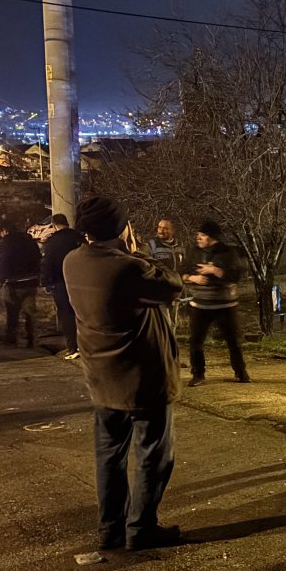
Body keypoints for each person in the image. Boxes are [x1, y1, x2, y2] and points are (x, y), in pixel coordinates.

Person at [64, 196, 184, 551]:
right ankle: (141, 528)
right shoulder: (128, 267)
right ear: (121, 229)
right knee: (153, 455)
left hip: (102, 378)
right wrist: (135, 252)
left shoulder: (72, 262)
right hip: (143, 380)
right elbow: (173, 285)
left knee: (109, 457)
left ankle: (110, 529)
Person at [182, 220, 249, 387]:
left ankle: (241, 372)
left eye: (202, 235)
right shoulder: (194, 252)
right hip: (200, 305)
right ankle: (198, 374)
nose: (198, 238)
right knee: (196, 341)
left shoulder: (227, 253)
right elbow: (181, 272)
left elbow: (236, 275)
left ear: (212, 237)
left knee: (233, 341)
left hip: (225, 305)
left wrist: (215, 270)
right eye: (198, 235)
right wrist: (193, 278)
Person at [41, 214, 85, 359]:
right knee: (82, 314)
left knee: (66, 315)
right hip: (80, 281)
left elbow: (47, 264)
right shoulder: (78, 237)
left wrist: (46, 282)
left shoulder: (52, 242)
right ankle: (87, 345)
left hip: (60, 282)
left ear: (54, 225)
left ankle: (72, 348)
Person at [0, 222, 42, 348]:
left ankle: (11, 339)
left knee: (12, 312)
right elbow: (38, 258)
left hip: (13, 283)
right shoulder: (30, 241)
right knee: (30, 313)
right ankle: (32, 339)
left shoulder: (7, 243)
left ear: (5, 230)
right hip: (31, 282)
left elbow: (4, 262)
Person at [148, 219, 186, 327]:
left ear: (173, 230)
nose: (161, 230)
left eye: (165, 228)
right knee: (164, 323)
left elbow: (183, 267)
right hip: (160, 291)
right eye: (159, 227)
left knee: (173, 323)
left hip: (176, 291)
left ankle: (171, 343)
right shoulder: (151, 244)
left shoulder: (180, 245)